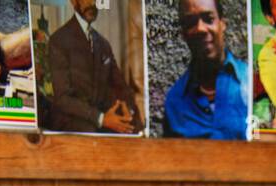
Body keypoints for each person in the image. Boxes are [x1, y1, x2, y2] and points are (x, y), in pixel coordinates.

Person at [46, 0, 144, 134]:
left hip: (102, 116)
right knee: (91, 131)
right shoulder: (58, 40)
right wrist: (101, 118)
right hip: (72, 119)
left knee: (134, 126)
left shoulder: (103, 44)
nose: (92, 3)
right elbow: (63, 98)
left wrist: (129, 111)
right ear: (74, 2)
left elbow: (121, 86)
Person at [164, 0, 249, 141]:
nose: (200, 29)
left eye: (208, 19)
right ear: (183, 34)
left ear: (222, 24)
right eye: (191, 23)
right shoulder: (174, 102)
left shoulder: (251, 83)